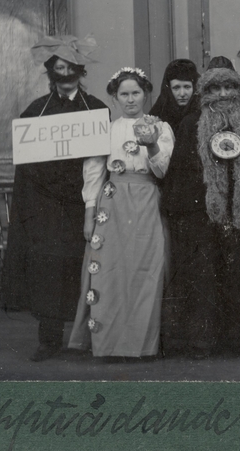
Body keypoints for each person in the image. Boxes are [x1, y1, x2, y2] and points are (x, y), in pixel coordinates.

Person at [1, 35, 108, 362]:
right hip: (46, 207)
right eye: (58, 69)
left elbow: (98, 165)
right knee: (47, 269)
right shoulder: (35, 112)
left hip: (81, 204)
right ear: (51, 74)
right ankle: (49, 340)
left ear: (80, 71)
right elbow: (27, 168)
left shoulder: (96, 110)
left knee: (84, 266)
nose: (65, 75)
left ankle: (86, 338)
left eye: (70, 68)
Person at [69, 68, 175, 359]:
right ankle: (109, 344)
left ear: (145, 94)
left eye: (136, 93)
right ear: (114, 98)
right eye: (124, 94)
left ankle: (141, 345)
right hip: (113, 203)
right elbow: (93, 172)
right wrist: (90, 214)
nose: (130, 100)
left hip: (147, 200)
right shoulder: (105, 129)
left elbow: (162, 170)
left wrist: (152, 143)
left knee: (146, 270)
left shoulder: (161, 127)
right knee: (111, 271)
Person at [161, 66, 240, 358]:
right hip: (201, 214)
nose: (222, 94)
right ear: (204, 93)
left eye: (229, 88)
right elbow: (179, 171)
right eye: (215, 89)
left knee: (238, 276)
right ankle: (202, 341)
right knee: (202, 276)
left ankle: (237, 341)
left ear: (238, 91)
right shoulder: (191, 123)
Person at [148, 59, 200, 128]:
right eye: (176, 88)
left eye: (187, 87)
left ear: (194, 88)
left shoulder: (202, 115)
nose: (182, 94)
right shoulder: (158, 113)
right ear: (169, 89)